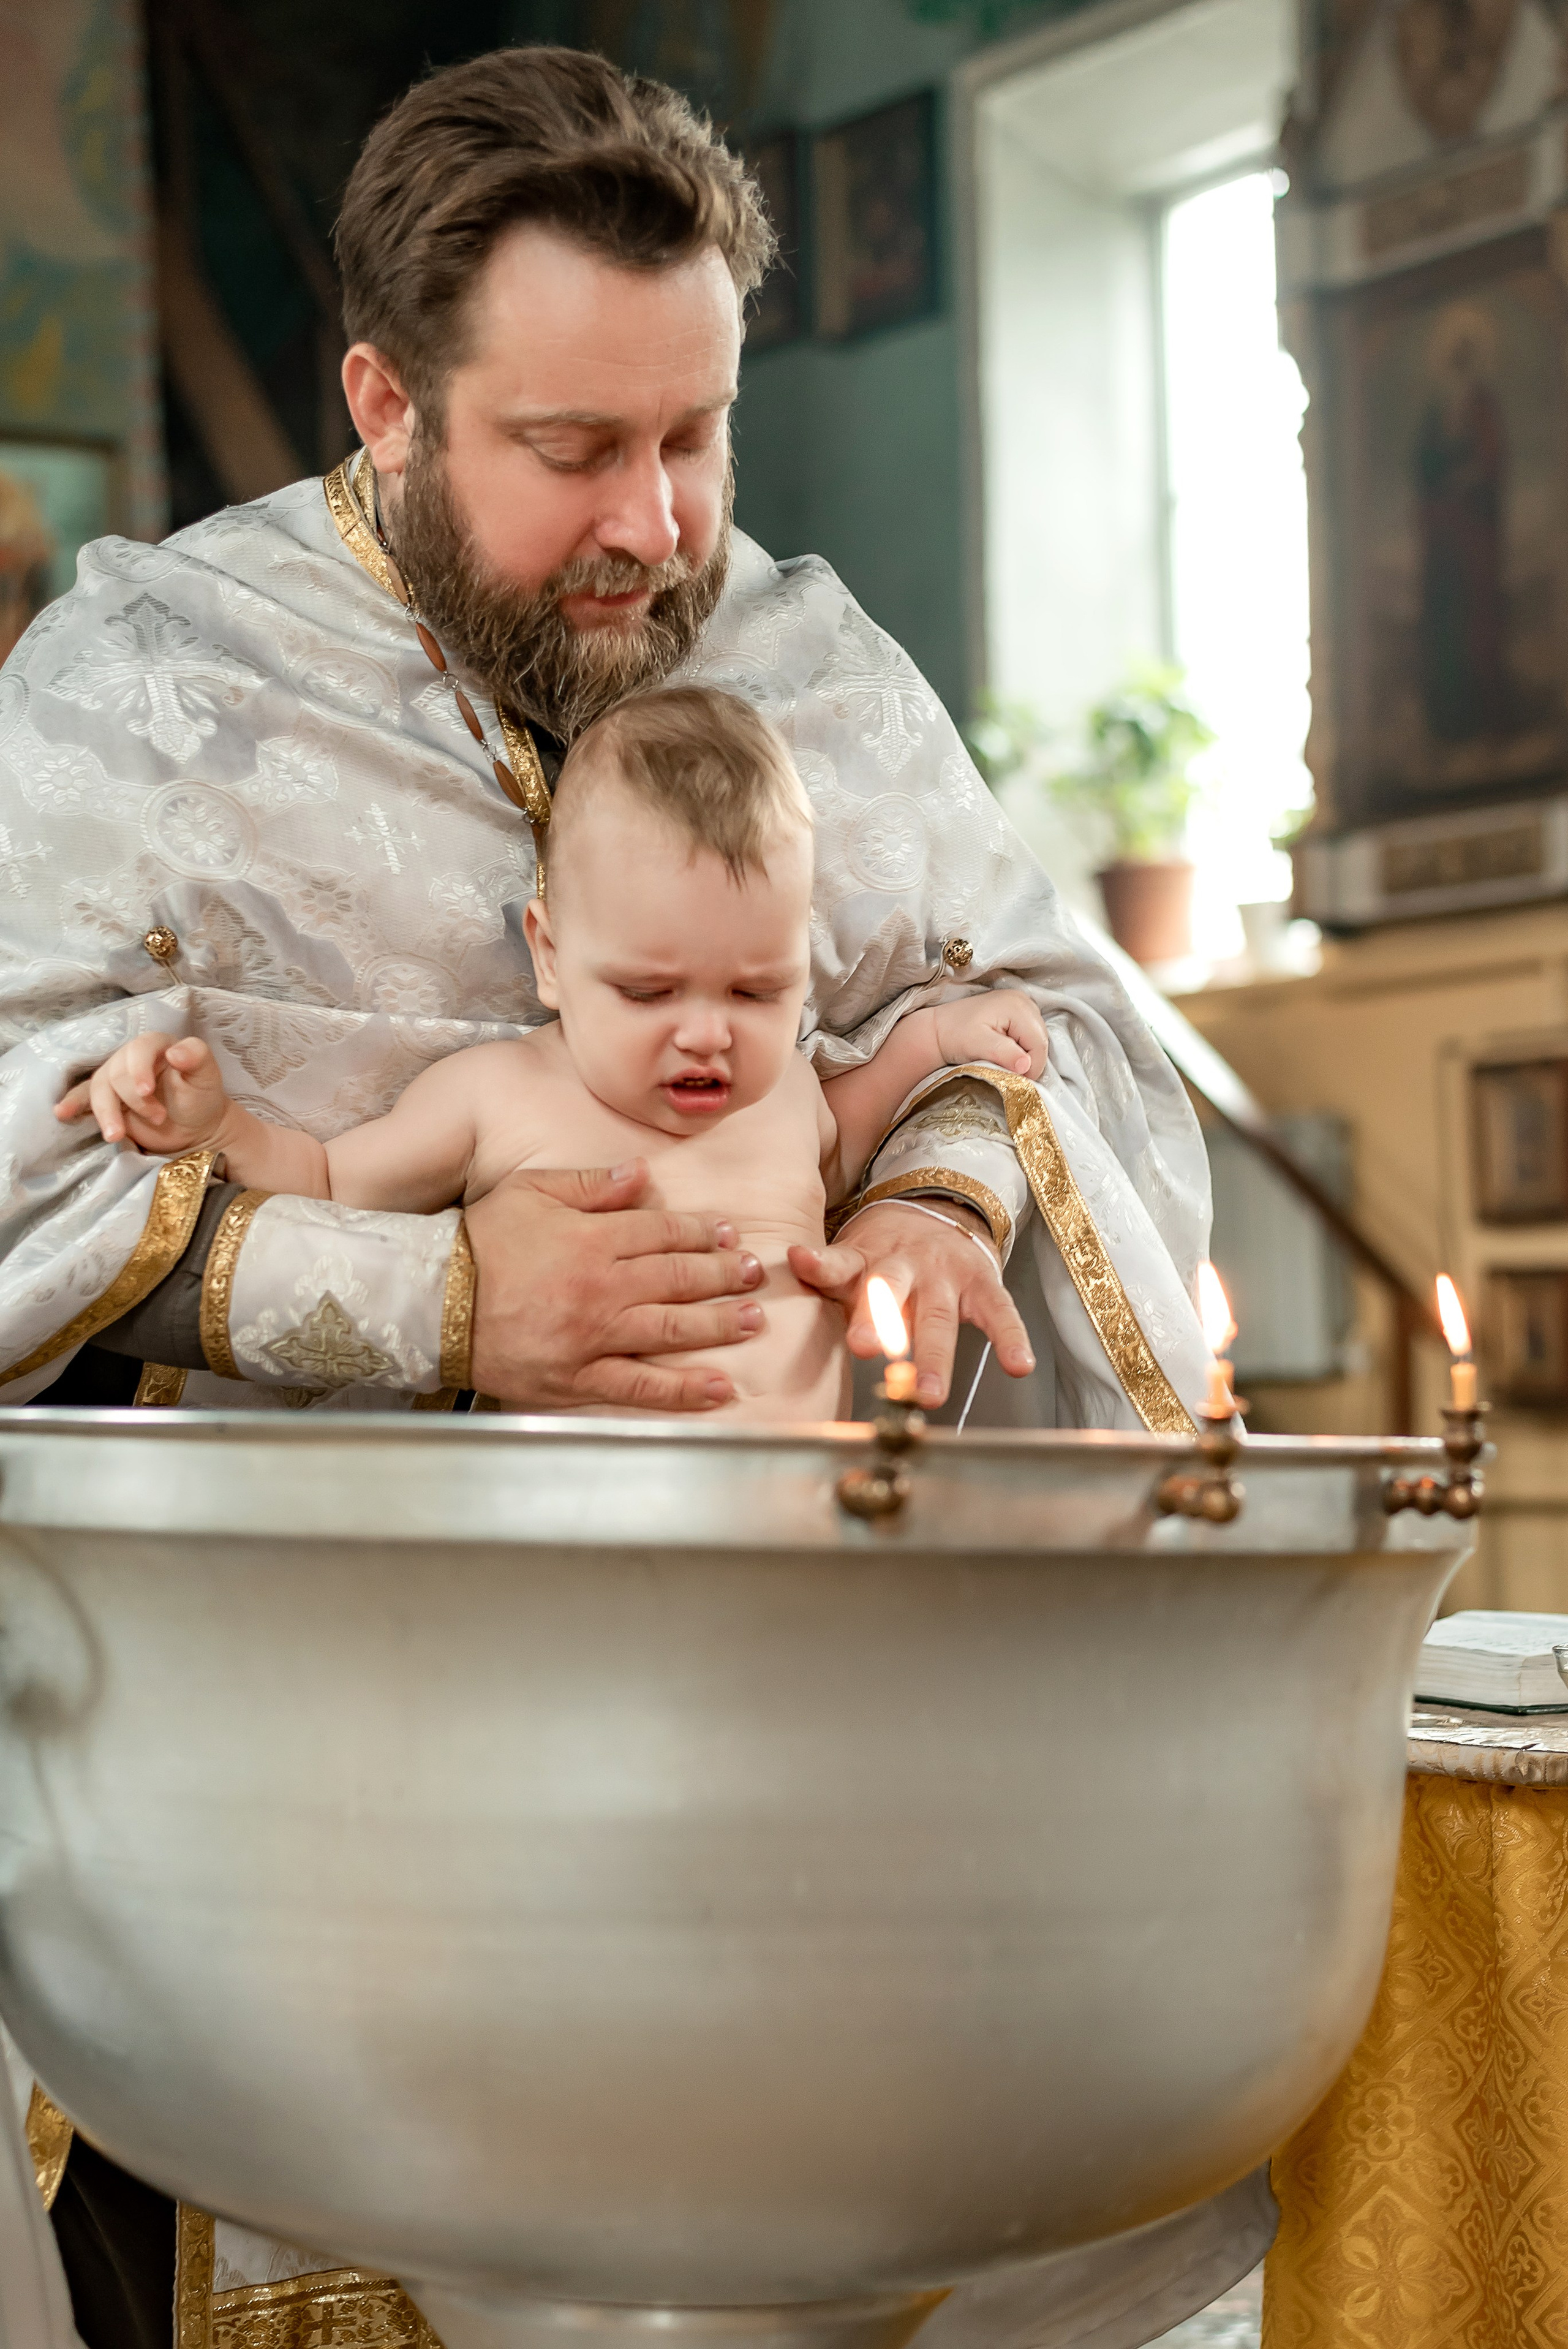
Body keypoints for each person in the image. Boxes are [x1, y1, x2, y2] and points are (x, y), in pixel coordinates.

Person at [0, 42, 1242, 2349]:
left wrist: (942, 1203)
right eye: (574, 450)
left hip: (804, 1771)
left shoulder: (803, 659)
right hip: (298, 1807)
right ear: (384, 398)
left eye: (696, 437)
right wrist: (448, 1301)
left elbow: (1042, 1026)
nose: (660, 529)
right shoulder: (145, 688)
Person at [60, 686, 1047, 1420]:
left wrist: (934, 1037)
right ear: (551, 955)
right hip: (562, 1513)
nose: (707, 1031)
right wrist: (214, 1126)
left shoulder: (786, 1088)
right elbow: (324, 1179)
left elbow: (846, 1142)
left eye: (757, 990)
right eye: (647, 991)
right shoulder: (498, 1096)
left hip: (789, 1514)